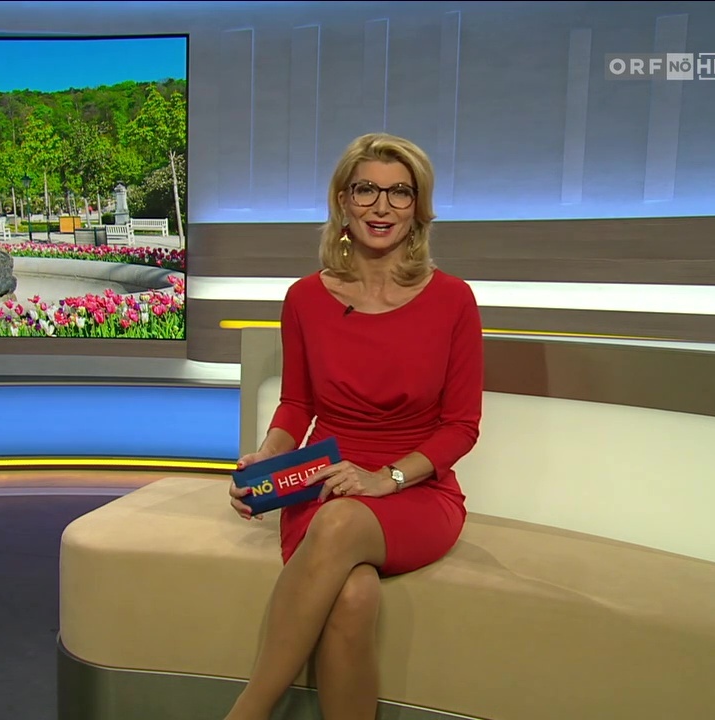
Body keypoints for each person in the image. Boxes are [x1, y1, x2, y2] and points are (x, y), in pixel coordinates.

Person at [224, 134, 484, 720]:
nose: (382, 206)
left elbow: (461, 427)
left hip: (416, 489)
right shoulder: (304, 298)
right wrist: (265, 458)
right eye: (367, 189)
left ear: (418, 207)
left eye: (400, 192)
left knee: (342, 522)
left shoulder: (453, 300)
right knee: (353, 595)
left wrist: (385, 479)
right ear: (344, 200)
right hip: (322, 481)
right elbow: (297, 404)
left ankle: (247, 712)